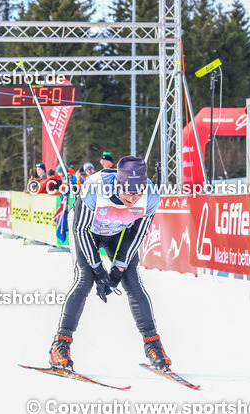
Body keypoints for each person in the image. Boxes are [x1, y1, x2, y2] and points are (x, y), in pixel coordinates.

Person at [48, 156, 172, 371]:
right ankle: (60, 344)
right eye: (127, 193)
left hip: (118, 231)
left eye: (137, 193)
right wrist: (98, 269)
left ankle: (153, 345)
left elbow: (139, 233)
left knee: (132, 280)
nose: (132, 199)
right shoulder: (96, 186)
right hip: (88, 231)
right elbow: (80, 230)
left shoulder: (150, 195)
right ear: (117, 184)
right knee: (84, 280)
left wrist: (118, 269)